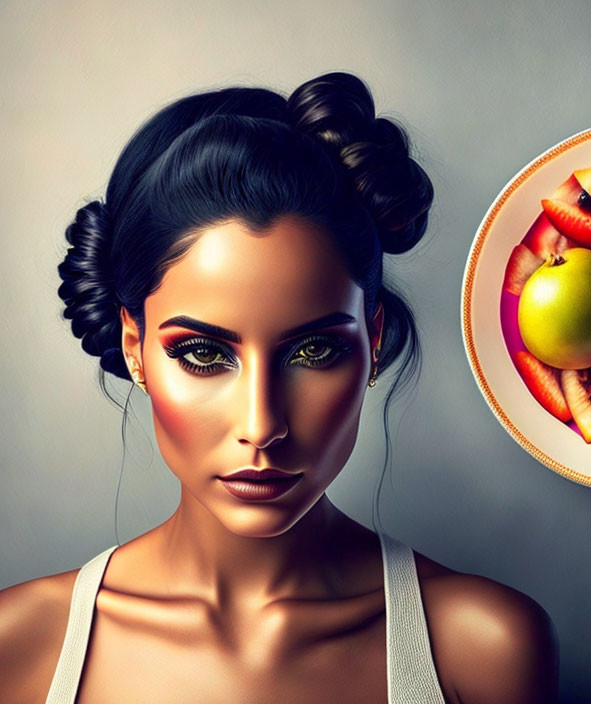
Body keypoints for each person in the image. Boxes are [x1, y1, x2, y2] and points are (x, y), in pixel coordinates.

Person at [0, 73, 558, 703]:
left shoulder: (485, 649)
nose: (262, 425)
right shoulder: (18, 646)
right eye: (204, 354)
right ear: (134, 346)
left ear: (373, 342)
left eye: (313, 350)